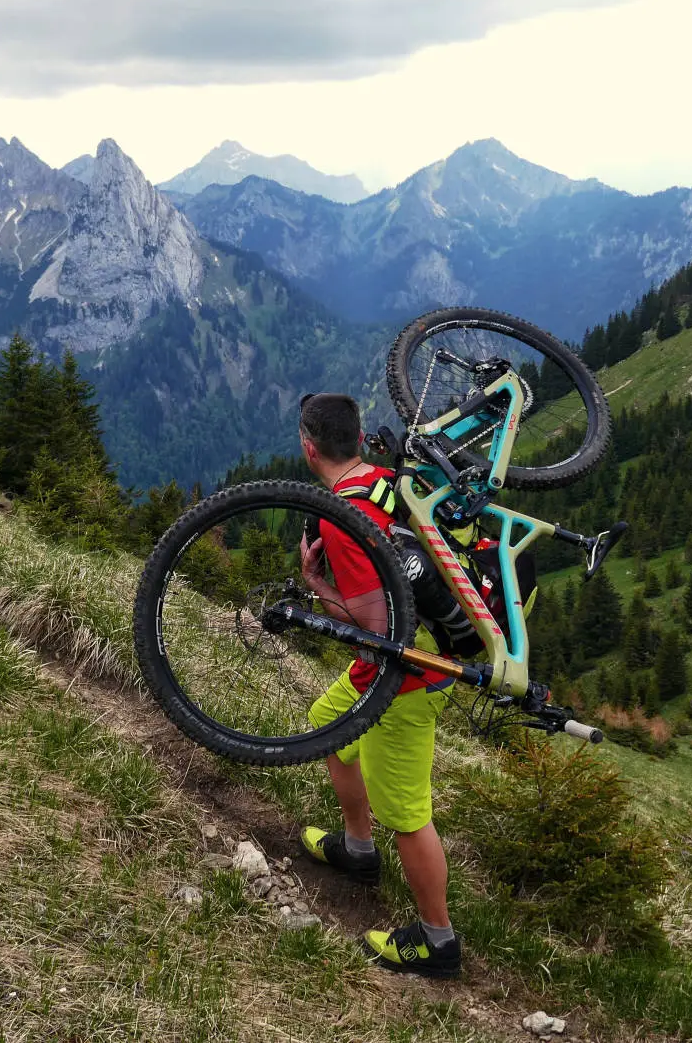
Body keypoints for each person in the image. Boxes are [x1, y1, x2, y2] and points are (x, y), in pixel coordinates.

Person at [293, 392, 461, 979]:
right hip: (412, 654)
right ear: (360, 442)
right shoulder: (381, 480)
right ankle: (358, 850)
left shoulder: (344, 517)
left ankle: (437, 942)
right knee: (330, 722)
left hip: (411, 672)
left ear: (308, 447)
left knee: (407, 811)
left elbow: (377, 629)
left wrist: (317, 587)